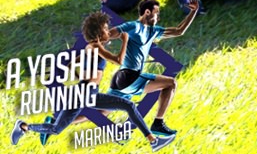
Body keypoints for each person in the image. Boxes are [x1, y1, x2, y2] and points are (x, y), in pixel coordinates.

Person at [8, 11, 174, 150]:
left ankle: (24, 126)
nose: (109, 32)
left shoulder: (90, 48)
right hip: (86, 94)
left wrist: (76, 74)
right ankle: (153, 141)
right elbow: (118, 60)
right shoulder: (96, 47)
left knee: (57, 129)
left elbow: (73, 63)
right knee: (128, 105)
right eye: (106, 29)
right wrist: (125, 41)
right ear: (98, 34)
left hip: (86, 93)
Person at [106, 0, 197, 139]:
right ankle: (158, 124)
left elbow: (179, 31)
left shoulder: (154, 31)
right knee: (170, 83)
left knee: (101, 112)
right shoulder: (133, 26)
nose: (158, 16)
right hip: (129, 78)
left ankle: (68, 116)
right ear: (147, 12)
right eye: (156, 13)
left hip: (123, 80)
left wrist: (193, 11)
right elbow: (111, 34)